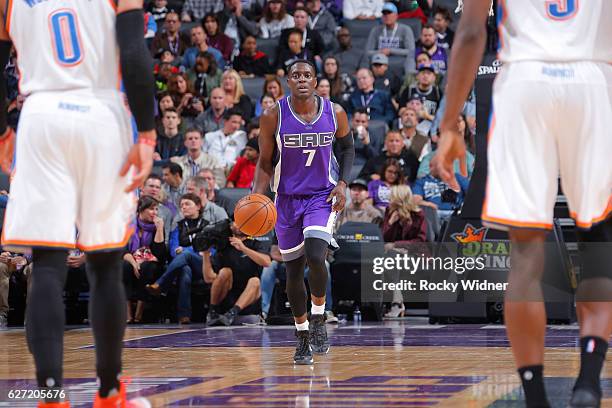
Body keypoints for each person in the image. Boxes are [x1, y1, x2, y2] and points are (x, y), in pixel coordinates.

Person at [431, 2, 612, 407]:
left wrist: (449, 124)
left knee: (525, 255)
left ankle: (535, 396)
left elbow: (473, 32)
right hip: (594, 81)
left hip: (523, 81)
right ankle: (588, 379)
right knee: (598, 241)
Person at [0, 0, 156, 405]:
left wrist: (3, 132)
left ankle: (50, 394)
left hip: (40, 116)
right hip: (101, 114)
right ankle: (108, 392)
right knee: (105, 265)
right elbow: (135, 54)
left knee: (47, 264)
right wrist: (148, 134)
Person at [253, 60, 354, 364]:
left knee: (315, 252)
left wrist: (343, 184)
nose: (301, 80)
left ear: (315, 81)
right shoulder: (273, 116)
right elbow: (265, 161)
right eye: (295, 75)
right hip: (286, 199)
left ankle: (320, 316)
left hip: (322, 195)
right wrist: (258, 195)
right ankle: (302, 335)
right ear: (287, 81)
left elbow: (348, 148)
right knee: (292, 271)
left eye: (307, 75)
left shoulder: (334, 112)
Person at [204, 222, 271, 326]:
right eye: (237, 221)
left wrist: (243, 248)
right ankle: (212, 311)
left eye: (243, 221)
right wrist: (205, 254)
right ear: (230, 226)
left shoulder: (255, 243)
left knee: (255, 281)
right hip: (227, 295)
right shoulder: (224, 247)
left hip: (249, 298)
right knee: (225, 272)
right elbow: (208, 278)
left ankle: (233, 313)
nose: (240, 224)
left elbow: (267, 262)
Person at [122, 196, 167, 324]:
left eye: (156, 209)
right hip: (130, 260)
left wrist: (159, 230)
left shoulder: (157, 226)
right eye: (152, 209)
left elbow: (160, 255)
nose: (155, 213)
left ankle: (139, 312)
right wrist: (134, 262)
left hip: (150, 262)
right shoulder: (128, 225)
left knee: (147, 267)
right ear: (141, 210)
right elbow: (122, 250)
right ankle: (128, 312)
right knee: (125, 266)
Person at [365, 2, 415, 75]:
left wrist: (390, 51)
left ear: (396, 15)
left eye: (389, 13)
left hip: (400, 60)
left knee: (410, 60)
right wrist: (381, 52)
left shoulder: (405, 29)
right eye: (384, 14)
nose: (387, 16)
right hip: (379, 61)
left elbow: (411, 51)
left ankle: (409, 82)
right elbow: (367, 52)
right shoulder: (375, 30)